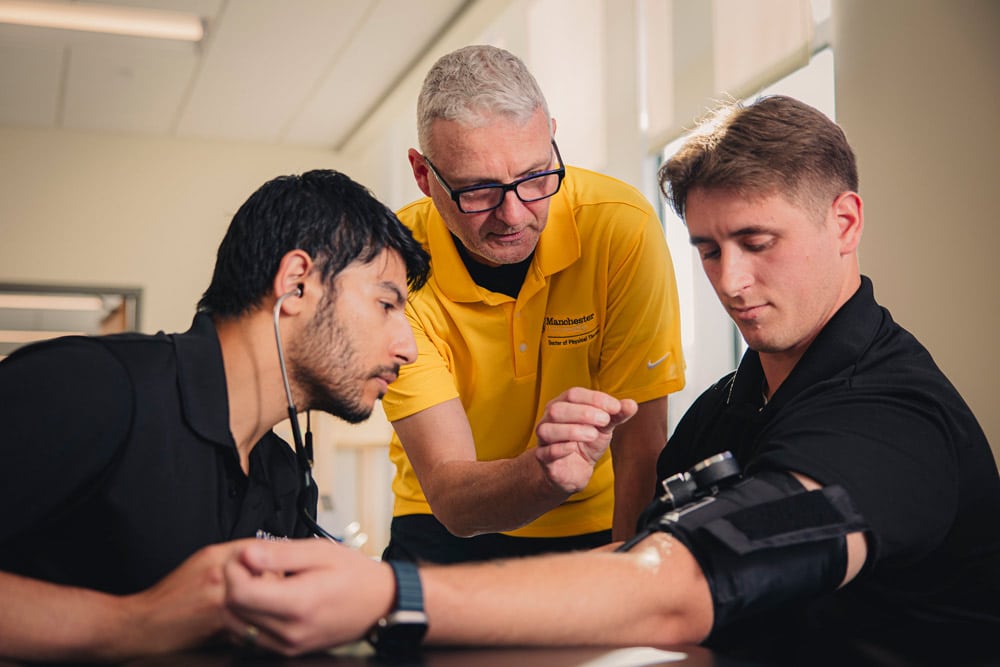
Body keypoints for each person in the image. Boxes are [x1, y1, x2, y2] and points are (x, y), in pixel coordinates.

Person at [222, 96, 1000, 665]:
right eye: (708, 249)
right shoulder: (725, 414)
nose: (731, 281)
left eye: (758, 241)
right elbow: (641, 561)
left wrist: (393, 595)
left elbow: (687, 580)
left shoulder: (893, 417)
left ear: (846, 222)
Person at [0, 169, 432, 662]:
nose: (408, 349)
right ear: (296, 284)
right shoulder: (93, 386)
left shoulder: (285, 477)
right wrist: (135, 623)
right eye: (385, 304)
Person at [381, 44, 686, 563]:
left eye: (536, 176)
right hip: (443, 525)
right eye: (478, 191)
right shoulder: (390, 260)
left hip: (598, 521)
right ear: (423, 175)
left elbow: (640, 452)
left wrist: (626, 584)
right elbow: (453, 496)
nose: (514, 214)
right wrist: (545, 472)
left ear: (552, 140)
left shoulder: (619, 227)